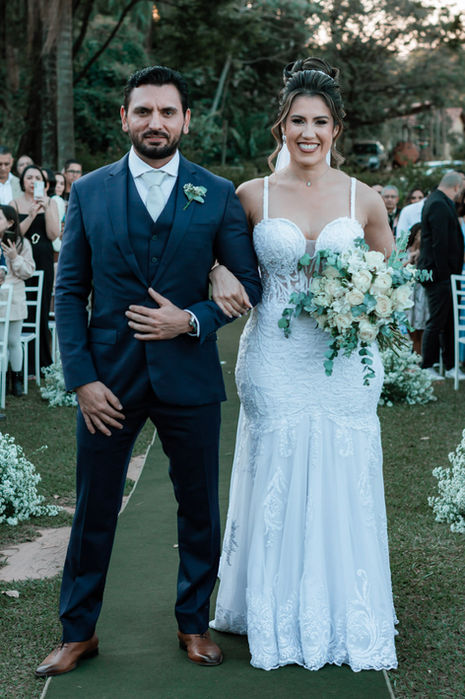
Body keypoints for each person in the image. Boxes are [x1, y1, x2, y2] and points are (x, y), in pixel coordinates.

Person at [35, 65, 261, 678]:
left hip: (189, 375)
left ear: (187, 120)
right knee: (93, 506)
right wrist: (82, 379)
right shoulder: (90, 192)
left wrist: (190, 320)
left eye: (167, 111)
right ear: (125, 118)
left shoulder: (216, 192)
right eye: (144, 111)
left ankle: (194, 623)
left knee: (199, 507)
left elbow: (250, 284)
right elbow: (69, 292)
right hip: (108, 381)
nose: (155, 122)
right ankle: (78, 632)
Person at [210, 57, 398, 672]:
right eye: (298, 121)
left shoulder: (364, 198)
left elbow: (390, 276)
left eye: (319, 122)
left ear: (336, 129)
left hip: (344, 365)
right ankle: (273, 610)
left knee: (343, 473)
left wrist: (368, 302)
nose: (308, 132)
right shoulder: (251, 195)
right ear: (282, 126)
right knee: (279, 474)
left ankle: (346, 611)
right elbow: (212, 255)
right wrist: (216, 269)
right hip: (275, 358)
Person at [9, 164, 60, 370]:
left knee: (41, 308)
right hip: (20, 262)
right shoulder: (14, 203)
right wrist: (30, 216)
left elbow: (54, 234)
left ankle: (40, 361)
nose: (33, 181)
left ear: (44, 183)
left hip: (44, 260)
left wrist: (46, 209)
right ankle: (21, 362)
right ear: (22, 181)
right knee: (23, 308)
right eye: (29, 177)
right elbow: (14, 236)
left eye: (37, 178)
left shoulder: (51, 203)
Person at [417, 171, 465, 380]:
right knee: (437, 321)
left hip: (447, 274)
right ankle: (427, 365)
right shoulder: (438, 203)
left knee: (450, 321)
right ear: (456, 187)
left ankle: (451, 366)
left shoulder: (442, 201)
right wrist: (445, 275)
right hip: (439, 275)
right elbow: (439, 243)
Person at [0, 205, 36, 395]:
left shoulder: (22, 243)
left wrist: (14, 258)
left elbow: (28, 271)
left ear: (10, 222)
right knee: (0, 342)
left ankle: (16, 378)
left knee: (13, 341)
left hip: (14, 300)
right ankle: (2, 378)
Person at [406, 223, 428, 355]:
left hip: (421, 293)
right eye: (418, 235)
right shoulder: (406, 252)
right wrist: (410, 260)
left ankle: (420, 356)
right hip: (408, 293)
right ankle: (415, 354)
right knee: (411, 326)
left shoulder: (426, 253)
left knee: (422, 325)